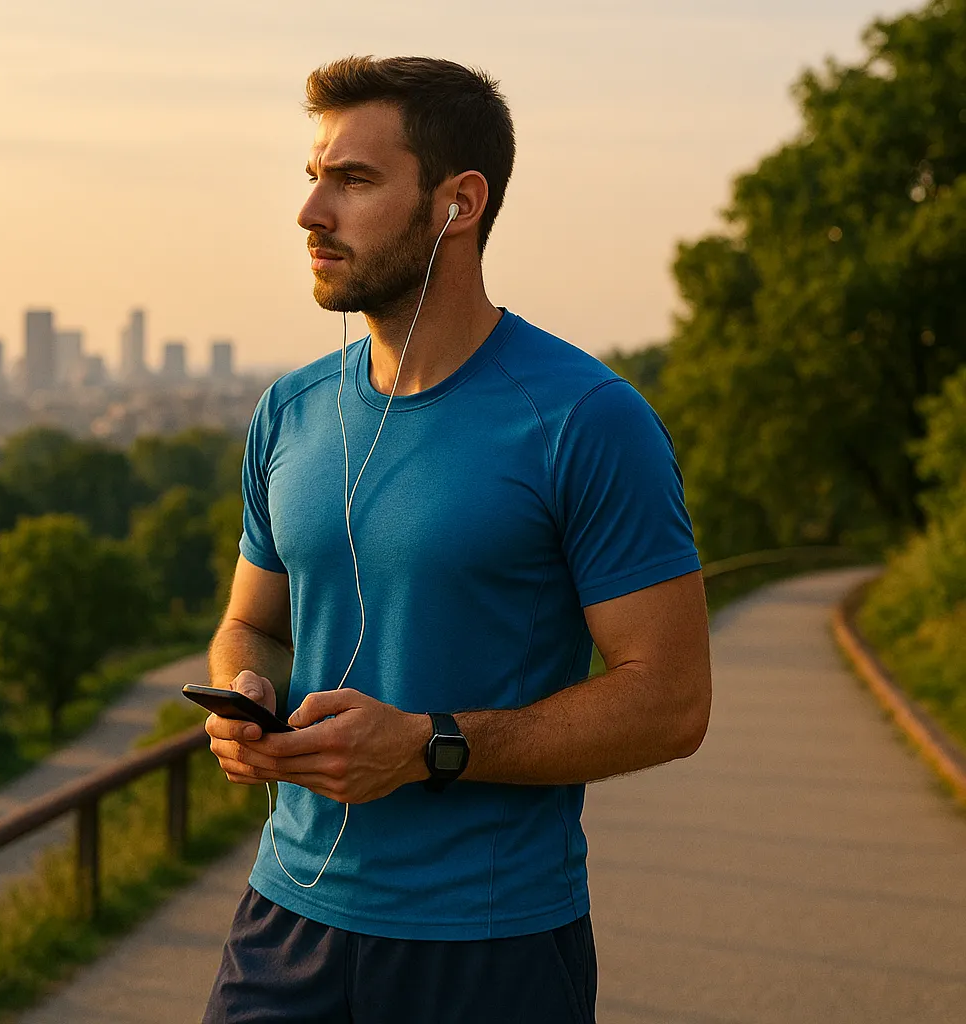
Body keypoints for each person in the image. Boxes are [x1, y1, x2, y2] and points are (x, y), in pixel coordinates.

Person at [201, 56, 711, 1024]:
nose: (312, 212)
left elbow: (672, 702)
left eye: (352, 181)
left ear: (457, 202)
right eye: (313, 177)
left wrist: (430, 745)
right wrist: (243, 693)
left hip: (492, 945)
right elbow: (249, 623)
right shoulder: (289, 412)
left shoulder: (587, 419)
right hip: (284, 919)